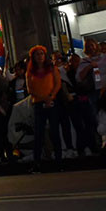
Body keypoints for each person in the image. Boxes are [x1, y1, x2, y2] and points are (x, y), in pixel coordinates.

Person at [26, 45, 62, 173]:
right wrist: (43, 98)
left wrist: (50, 97)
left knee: (54, 132)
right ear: (33, 57)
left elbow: (58, 84)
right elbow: (30, 89)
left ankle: (59, 162)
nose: (40, 56)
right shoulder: (30, 72)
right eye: (37, 54)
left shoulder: (52, 69)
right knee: (39, 134)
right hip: (38, 104)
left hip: (52, 102)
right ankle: (37, 163)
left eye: (42, 54)